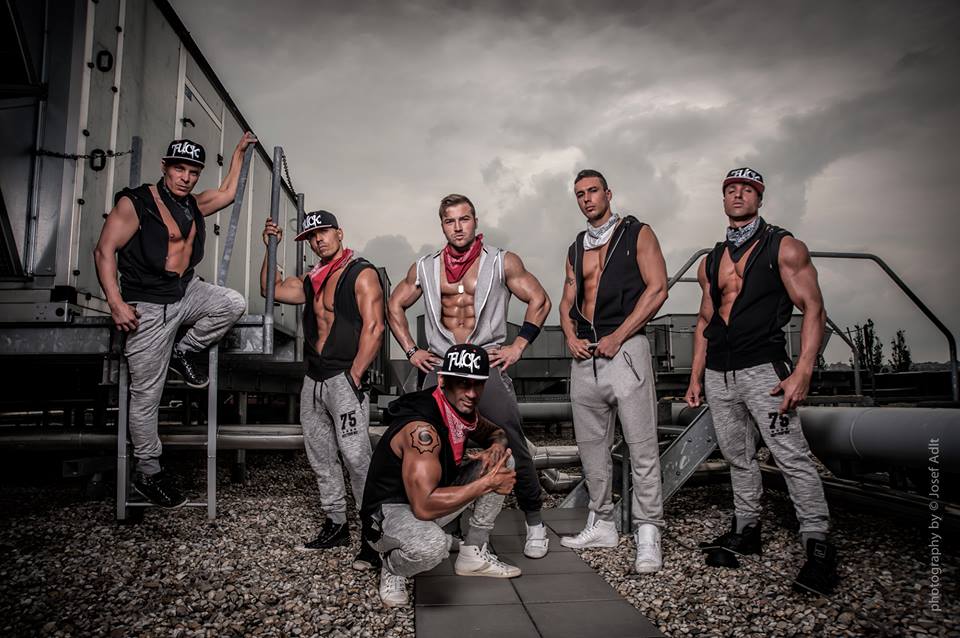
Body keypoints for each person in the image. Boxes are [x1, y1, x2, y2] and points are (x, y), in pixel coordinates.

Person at [684, 167, 838, 596]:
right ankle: (747, 528)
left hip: (764, 369)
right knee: (738, 456)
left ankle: (818, 544)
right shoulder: (711, 260)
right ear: (723, 198)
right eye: (731, 189)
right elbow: (704, 320)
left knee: (792, 456)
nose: (738, 195)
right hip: (719, 371)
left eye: (747, 190)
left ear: (759, 197)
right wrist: (696, 375)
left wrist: (802, 371)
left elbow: (814, 308)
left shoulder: (784, 246)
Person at [94, 133, 256, 508]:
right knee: (146, 396)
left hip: (185, 292)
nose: (186, 177)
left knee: (232, 303)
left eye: (193, 172)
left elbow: (228, 193)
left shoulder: (194, 205)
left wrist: (238, 153)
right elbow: (104, 250)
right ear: (165, 167)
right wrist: (116, 303)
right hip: (148, 305)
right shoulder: (136, 203)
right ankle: (148, 472)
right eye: (179, 169)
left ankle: (185, 351)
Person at [386, 194, 552, 558]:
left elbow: (540, 299)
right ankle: (443, 527)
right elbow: (393, 304)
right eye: (450, 221)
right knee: (435, 444)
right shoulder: (425, 268)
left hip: (485, 362)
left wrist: (518, 346)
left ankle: (535, 522)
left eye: (464, 219)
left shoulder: (502, 261)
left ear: (475, 221)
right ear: (442, 226)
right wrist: (412, 350)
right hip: (443, 365)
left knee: (511, 439)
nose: (458, 227)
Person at [558, 169, 668, 574]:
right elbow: (566, 299)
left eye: (593, 191)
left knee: (641, 446)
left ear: (608, 193)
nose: (587, 198)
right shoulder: (575, 247)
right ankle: (602, 522)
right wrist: (569, 336)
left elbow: (658, 288)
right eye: (580, 194)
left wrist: (619, 335)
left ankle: (648, 531)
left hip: (625, 349)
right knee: (591, 449)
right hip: (585, 356)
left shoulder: (638, 233)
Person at [260, 210, 384, 569]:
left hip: (344, 378)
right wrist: (270, 248)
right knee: (321, 457)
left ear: (339, 233)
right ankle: (336, 524)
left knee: (357, 459)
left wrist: (354, 376)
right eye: (312, 236)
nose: (318, 240)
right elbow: (270, 289)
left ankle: (373, 535)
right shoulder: (312, 279)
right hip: (313, 379)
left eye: (324, 232)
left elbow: (375, 327)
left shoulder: (361, 273)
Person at [360, 344, 521, 608]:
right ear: (443, 380)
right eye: (462, 383)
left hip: (429, 497)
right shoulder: (421, 430)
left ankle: (473, 553)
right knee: (432, 548)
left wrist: (496, 447)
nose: (471, 393)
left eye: (478, 384)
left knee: (502, 460)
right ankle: (391, 565)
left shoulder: (458, 408)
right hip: (391, 511)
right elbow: (424, 507)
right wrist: (487, 484)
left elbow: (497, 433)